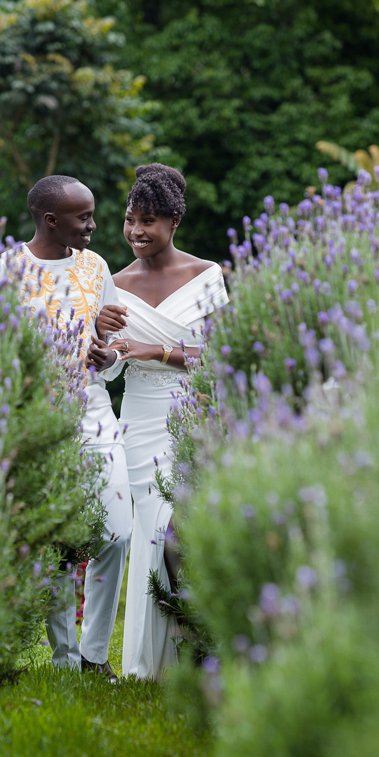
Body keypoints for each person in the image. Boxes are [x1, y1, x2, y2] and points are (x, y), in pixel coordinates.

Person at [0, 175, 131, 681]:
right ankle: (68, 663)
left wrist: (107, 355)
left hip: (92, 411)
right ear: (50, 220)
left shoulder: (97, 267)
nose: (93, 224)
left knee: (116, 531)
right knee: (55, 541)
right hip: (32, 421)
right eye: (83, 216)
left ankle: (93, 651)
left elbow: (114, 352)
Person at [96, 163, 229, 679]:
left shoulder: (207, 276)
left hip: (188, 418)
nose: (136, 231)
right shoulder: (114, 283)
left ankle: (192, 652)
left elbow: (220, 357)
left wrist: (156, 349)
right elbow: (109, 368)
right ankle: (148, 666)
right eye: (130, 219)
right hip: (136, 418)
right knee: (147, 531)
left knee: (175, 531)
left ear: (175, 221)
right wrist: (101, 351)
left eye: (149, 220)